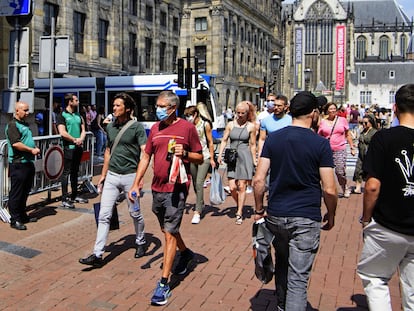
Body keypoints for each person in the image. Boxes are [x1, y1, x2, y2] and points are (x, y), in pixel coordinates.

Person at [253, 91, 337, 311]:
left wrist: (259, 208)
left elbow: (259, 179)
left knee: (282, 265)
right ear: (314, 113)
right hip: (305, 216)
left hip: (277, 214)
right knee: (298, 279)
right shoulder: (320, 144)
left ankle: (281, 306)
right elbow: (329, 188)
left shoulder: (274, 138)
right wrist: (331, 213)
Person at [128, 91, 203, 306]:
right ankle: (186, 253)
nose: (157, 109)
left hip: (176, 187)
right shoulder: (155, 128)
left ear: (172, 108)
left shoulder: (187, 128)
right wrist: (136, 181)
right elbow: (146, 156)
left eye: (161, 106)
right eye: (156, 106)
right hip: (157, 188)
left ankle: (163, 283)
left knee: (169, 233)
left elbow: (200, 157)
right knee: (166, 229)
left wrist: (186, 154)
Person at [357, 84, 414, 311]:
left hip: (388, 223)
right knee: (412, 288)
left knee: (375, 277)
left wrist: (366, 218)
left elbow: (372, 186)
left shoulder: (384, 139)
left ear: (395, 108)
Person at [79, 93, 147, 267]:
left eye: (118, 106)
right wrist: (103, 175)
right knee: (104, 215)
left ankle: (140, 241)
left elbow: (145, 153)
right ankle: (97, 254)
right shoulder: (110, 127)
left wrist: (139, 181)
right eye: (113, 105)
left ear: (128, 109)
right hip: (112, 177)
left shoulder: (136, 127)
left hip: (130, 176)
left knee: (135, 213)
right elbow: (108, 152)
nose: (114, 108)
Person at [217, 101, 257, 225]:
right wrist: (220, 154)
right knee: (232, 187)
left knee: (242, 185)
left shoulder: (251, 126)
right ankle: (239, 203)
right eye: (238, 112)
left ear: (247, 113)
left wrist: (254, 159)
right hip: (233, 156)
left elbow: (253, 144)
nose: (240, 115)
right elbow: (224, 140)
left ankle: (239, 212)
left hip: (245, 156)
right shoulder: (230, 125)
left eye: (242, 113)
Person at [5, 102, 41, 230]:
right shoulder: (12, 125)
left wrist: (34, 148)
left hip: (27, 163)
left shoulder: (24, 124)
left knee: (25, 191)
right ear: (17, 111)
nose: (27, 113)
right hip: (18, 164)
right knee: (17, 192)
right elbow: (16, 144)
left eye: (27, 110)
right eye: (25, 110)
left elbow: (26, 141)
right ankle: (14, 220)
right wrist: (31, 150)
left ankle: (22, 215)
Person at [184, 102, 216, 224]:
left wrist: (212, 158)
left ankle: (197, 211)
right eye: (186, 116)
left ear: (195, 114)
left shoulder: (205, 124)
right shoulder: (188, 126)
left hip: (204, 156)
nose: (188, 118)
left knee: (199, 182)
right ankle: (200, 202)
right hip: (192, 156)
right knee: (194, 182)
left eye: (189, 115)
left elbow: (210, 142)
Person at [318, 102, 356, 198]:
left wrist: (351, 146)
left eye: (334, 108)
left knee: (340, 171)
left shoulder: (342, 120)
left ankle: (344, 187)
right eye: (330, 109)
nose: (333, 110)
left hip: (340, 148)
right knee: (324, 171)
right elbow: (319, 136)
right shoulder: (323, 122)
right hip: (326, 150)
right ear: (327, 110)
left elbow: (347, 134)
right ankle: (327, 189)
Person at [57, 93, 88, 209]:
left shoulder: (79, 115)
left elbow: (83, 129)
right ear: (70, 102)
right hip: (69, 148)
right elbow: (62, 132)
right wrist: (74, 140)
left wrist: (81, 139)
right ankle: (64, 198)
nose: (78, 102)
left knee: (75, 171)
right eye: (76, 100)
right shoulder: (62, 115)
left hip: (78, 147)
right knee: (66, 172)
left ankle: (74, 195)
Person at [352, 114, 377, 194]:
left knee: (369, 172)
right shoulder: (363, 131)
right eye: (362, 123)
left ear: (371, 123)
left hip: (370, 155)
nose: (364, 124)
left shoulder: (374, 132)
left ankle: (370, 187)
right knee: (358, 170)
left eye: (366, 123)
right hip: (361, 154)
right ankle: (358, 188)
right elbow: (359, 140)